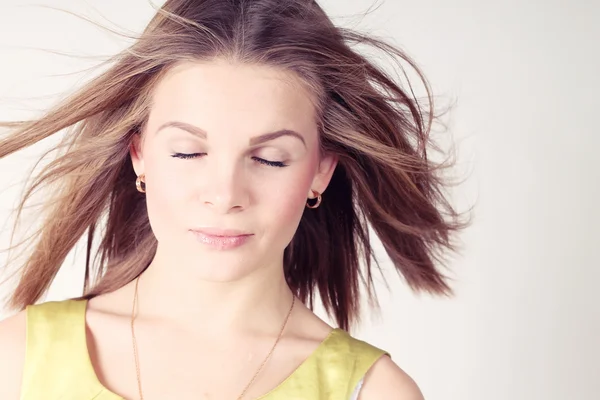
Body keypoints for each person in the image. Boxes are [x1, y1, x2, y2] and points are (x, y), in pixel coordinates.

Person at [0, 0, 466, 399]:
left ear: (320, 172)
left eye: (269, 159)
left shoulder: (374, 392)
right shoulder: (15, 360)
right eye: (188, 151)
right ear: (139, 156)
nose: (225, 195)